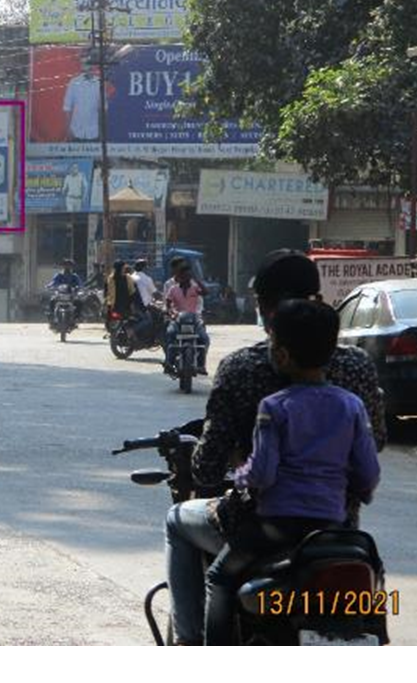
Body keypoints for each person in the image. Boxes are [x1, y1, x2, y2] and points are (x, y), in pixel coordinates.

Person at [163, 249, 388, 646]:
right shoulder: (355, 372)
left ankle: (189, 641)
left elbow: (210, 469)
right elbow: (373, 453)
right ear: (318, 301)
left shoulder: (246, 373)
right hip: (337, 526)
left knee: (179, 523)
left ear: (264, 310)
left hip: (264, 523)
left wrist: (240, 465)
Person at [204, 299, 381, 645]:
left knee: (219, 579)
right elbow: (368, 472)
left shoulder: (275, 407)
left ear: (282, 355)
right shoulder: (352, 406)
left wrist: (240, 472)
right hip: (332, 526)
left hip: (276, 527)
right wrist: (364, 491)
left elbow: (263, 474)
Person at [163, 263, 210, 375]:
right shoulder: (173, 289)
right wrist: (171, 313)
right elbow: (168, 304)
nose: (185, 278)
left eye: (188, 276)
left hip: (194, 319)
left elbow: (206, 292)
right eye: (183, 276)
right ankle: (169, 362)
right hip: (177, 319)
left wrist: (197, 280)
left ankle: (201, 365)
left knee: (204, 339)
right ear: (179, 276)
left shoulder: (195, 289)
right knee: (169, 335)